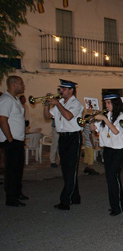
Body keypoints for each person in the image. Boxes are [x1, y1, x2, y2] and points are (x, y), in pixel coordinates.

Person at [43, 79, 84, 210]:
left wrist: (57, 104)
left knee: (71, 168)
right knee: (66, 168)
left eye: (64, 89)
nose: (61, 91)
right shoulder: (60, 103)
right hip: (63, 137)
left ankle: (65, 201)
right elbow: (47, 116)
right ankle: (75, 197)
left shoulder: (76, 103)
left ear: (71, 90)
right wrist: (46, 104)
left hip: (73, 137)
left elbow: (68, 116)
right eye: (61, 89)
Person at [90, 93, 123, 216]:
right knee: (110, 179)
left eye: (109, 103)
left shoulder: (121, 116)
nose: (106, 105)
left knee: (113, 177)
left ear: (115, 104)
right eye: (105, 103)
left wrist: (104, 119)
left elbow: (116, 131)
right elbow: (92, 129)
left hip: (118, 150)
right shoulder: (106, 116)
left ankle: (117, 206)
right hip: (108, 150)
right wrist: (92, 117)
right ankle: (117, 204)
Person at [0, 76, 28, 207]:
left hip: (18, 140)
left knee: (18, 168)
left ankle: (17, 192)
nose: (23, 86)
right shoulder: (5, 100)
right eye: (21, 84)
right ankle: (11, 197)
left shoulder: (15, 99)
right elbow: (2, 120)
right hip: (11, 140)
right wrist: (10, 139)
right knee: (11, 170)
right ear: (14, 84)